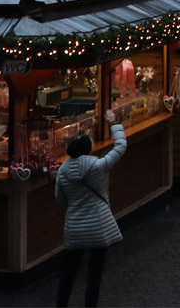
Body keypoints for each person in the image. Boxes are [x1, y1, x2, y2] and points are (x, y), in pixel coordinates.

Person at [53, 111, 128, 307]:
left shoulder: (62, 171)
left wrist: (76, 206)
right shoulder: (98, 166)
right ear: (88, 149)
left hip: (74, 227)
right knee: (95, 273)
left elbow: (60, 198)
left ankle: (61, 305)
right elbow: (121, 147)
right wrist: (114, 123)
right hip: (98, 226)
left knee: (69, 270)